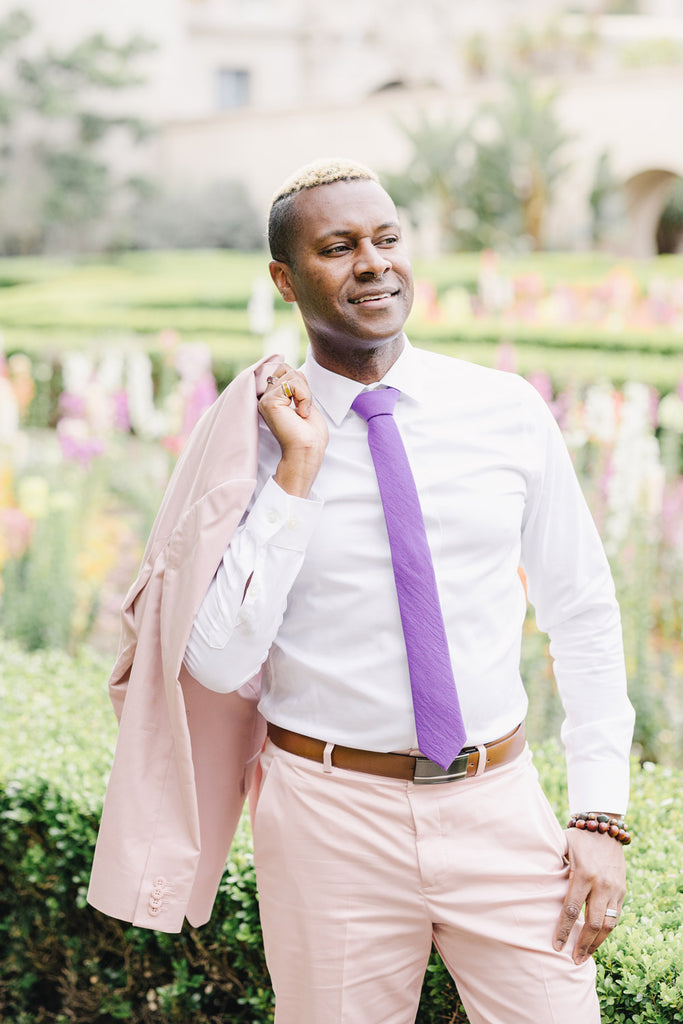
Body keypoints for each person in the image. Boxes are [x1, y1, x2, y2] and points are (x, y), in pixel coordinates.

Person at [89, 159, 634, 1024]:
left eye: (386, 239)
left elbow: (582, 614)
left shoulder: (504, 410)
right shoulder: (251, 444)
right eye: (338, 247)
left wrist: (600, 814)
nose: (373, 263)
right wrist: (296, 473)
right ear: (284, 278)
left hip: (498, 807)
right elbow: (219, 657)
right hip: (326, 819)